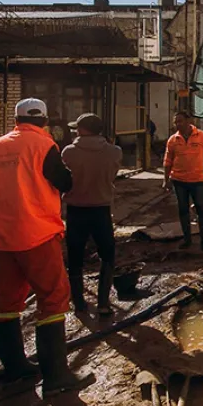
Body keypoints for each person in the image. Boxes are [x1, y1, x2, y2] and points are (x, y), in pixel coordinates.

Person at [0, 98, 92, 395]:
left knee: (7, 303)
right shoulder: (43, 146)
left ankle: (15, 368)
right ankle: (56, 377)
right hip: (37, 235)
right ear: (44, 120)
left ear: (17, 119)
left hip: (4, 239)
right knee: (53, 299)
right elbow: (65, 182)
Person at [62, 113, 122, 316]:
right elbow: (112, 175)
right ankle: (103, 303)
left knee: (75, 258)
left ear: (81, 130)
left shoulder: (68, 152)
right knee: (107, 255)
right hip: (101, 210)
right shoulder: (114, 152)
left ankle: (79, 304)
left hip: (76, 211)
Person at [163, 111, 203, 253]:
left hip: (196, 181)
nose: (177, 124)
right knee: (183, 210)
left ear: (188, 121)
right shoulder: (173, 140)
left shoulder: (202, 136)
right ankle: (187, 240)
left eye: (180, 121)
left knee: (202, 211)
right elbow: (167, 161)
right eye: (175, 122)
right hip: (178, 181)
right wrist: (166, 180)